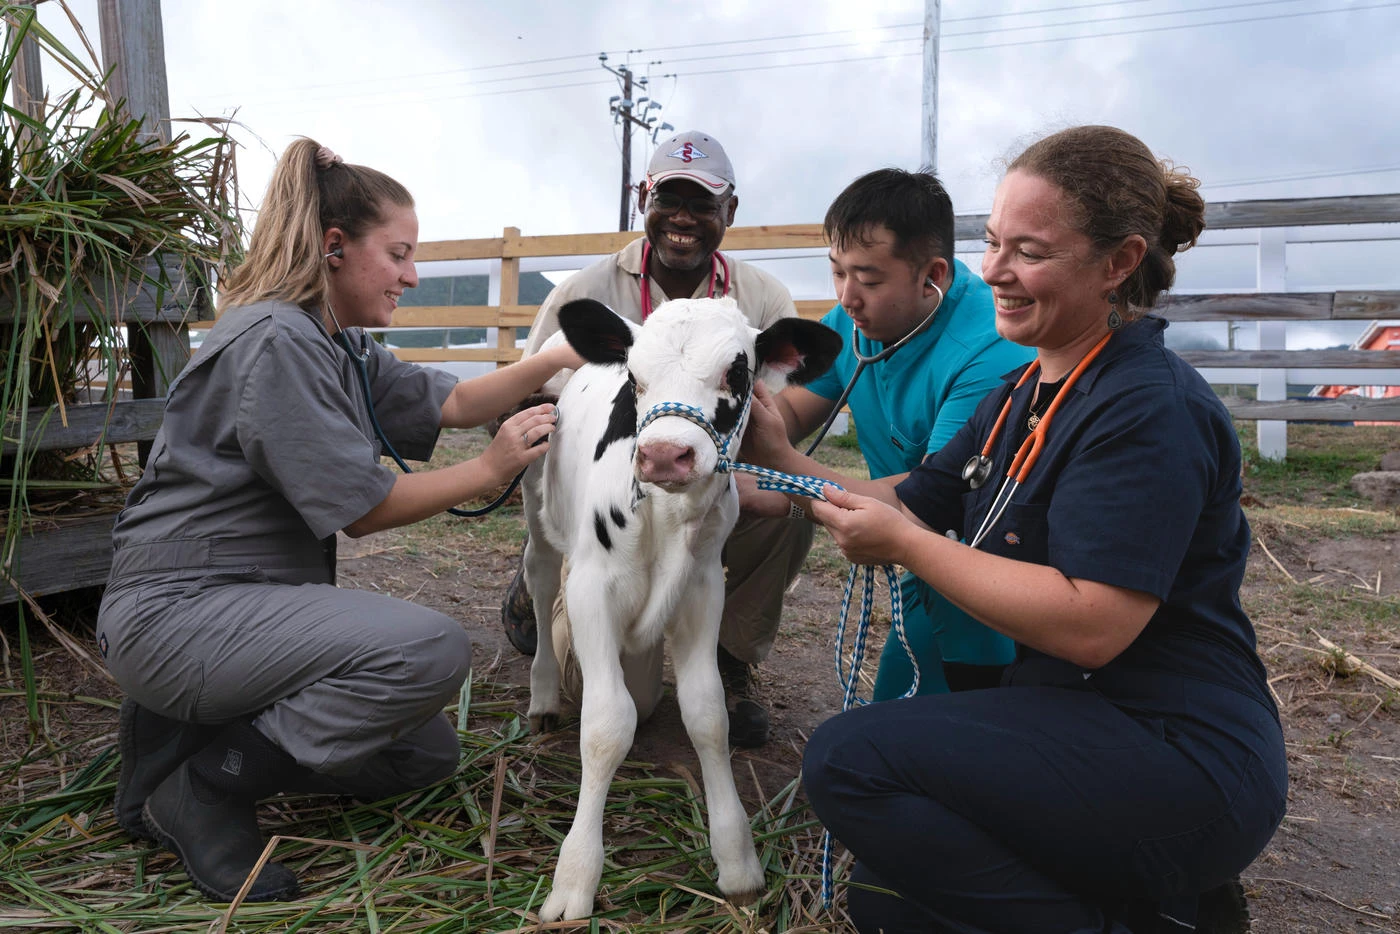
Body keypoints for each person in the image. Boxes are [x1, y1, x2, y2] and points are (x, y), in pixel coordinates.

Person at [798, 126, 1287, 933]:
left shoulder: (1147, 406)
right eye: (991, 243)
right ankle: (1165, 905)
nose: (992, 272)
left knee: (848, 761)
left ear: (1119, 262)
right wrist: (765, 464)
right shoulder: (1020, 396)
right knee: (890, 901)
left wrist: (911, 549)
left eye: (1028, 250)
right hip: (1081, 719)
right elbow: (910, 500)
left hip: (1176, 748)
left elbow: (1092, 624)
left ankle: (1152, 884)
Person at [96, 139, 582, 903]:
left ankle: (180, 735)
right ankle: (205, 788)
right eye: (398, 253)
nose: (412, 275)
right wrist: (491, 469)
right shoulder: (276, 341)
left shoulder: (337, 342)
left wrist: (552, 362)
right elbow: (366, 510)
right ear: (333, 247)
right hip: (177, 613)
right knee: (428, 652)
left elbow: (449, 404)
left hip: (240, 608)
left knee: (418, 757)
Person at [502, 130, 812, 747]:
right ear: (644, 198)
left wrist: (740, 457)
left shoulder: (763, 301)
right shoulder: (585, 293)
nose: (683, 218)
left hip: (712, 491)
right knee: (620, 703)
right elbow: (520, 395)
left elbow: (790, 413)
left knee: (789, 503)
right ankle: (547, 583)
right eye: (668, 198)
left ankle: (729, 665)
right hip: (613, 512)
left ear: (730, 212)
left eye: (702, 203)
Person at [738, 168, 1034, 698]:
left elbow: (929, 503)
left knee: (934, 735)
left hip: (983, 578)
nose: (848, 298)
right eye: (837, 272)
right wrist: (721, 428)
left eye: (869, 280)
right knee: (881, 726)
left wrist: (783, 483)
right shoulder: (857, 322)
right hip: (919, 567)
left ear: (933, 277)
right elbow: (790, 413)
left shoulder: (990, 355)